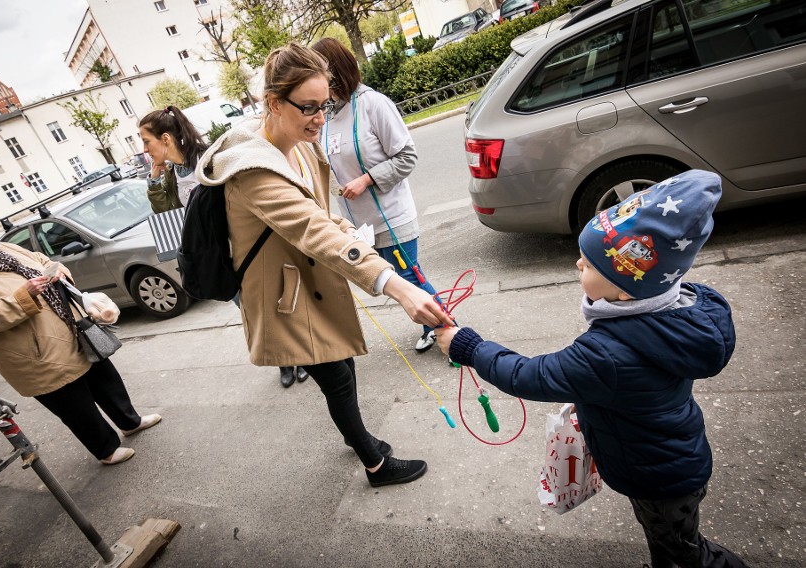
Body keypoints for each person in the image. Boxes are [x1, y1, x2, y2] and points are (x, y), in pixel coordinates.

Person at [437, 170, 748, 568]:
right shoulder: (675, 305)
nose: (577, 263)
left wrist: (468, 346)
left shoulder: (607, 353)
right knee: (672, 541)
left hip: (657, 475)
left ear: (624, 289)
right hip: (672, 456)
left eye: (588, 265)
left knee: (685, 553)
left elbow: (530, 375)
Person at [195, 43, 454, 487]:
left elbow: (318, 213)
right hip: (284, 298)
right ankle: (374, 463)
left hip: (307, 282)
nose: (320, 117)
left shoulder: (300, 145)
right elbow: (312, 230)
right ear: (274, 103)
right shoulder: (253, 168)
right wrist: (396, 285)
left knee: (344, 371)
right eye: (309, 107)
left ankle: (359, 438)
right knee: (337, 378)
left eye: (326, 105)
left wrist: (345, 228)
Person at [0, 211, 161, 466]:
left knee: (106, 380)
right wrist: (24, 296)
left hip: (72, 329)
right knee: (76, 407)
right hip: (36, 352)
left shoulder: (2, 248)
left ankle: (130, 422)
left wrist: (58, 271)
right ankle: (106, 449)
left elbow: (41, 259)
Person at [311, 37, 440, 354]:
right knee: (394, 279)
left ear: (334, 72)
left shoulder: (373, 104)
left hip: (393, 216)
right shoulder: (326, 116)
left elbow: (406, 156)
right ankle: (437, 324)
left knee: (409, 276)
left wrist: (366, 180)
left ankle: (443, 327)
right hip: (361, 225)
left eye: (317, 73)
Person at [138, 105, 208, 213]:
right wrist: (154, 182)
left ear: (165, 139)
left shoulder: (207, 159)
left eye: (146, 142)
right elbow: (167, 215)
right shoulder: (170, 174)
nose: (145, 150)